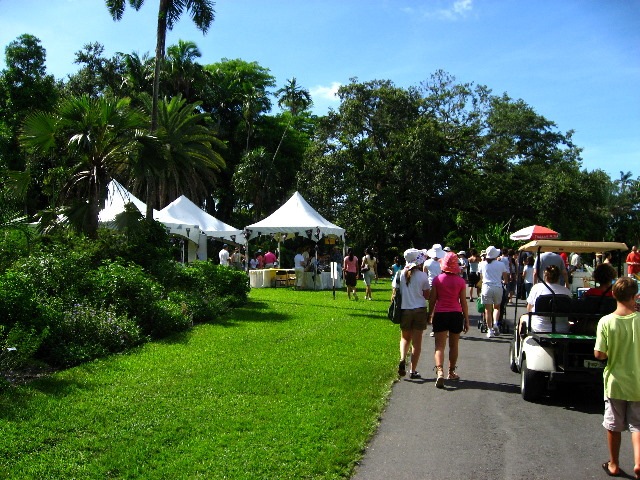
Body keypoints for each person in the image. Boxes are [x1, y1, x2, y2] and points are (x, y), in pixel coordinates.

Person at [594, 277, 640, 478]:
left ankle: (614, 463)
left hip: (615, 383)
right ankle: (639, 462)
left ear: (613, 294)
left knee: (614, 426)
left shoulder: (606, 321)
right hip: (638, 382)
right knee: (638, 425)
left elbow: (600, 354)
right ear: (635, 296)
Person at [429, 252, 470, 388]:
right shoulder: (460, 281)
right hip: (456, 314)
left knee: (439, 345)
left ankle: (439, 371)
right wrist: (467, 320)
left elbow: (432, 300)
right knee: (454, 345)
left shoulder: (437, 279)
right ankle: (451, 371)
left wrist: (430, 314)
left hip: (440, 313)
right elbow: (463, 302)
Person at [392, 248, 430, 379]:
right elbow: (427, 295)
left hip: (405, 310)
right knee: (417, 343)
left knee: (405, 338)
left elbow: (395, 292)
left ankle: (402, 358)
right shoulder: (423, 276)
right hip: (419, 310)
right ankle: (413, 370)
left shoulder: (399, 274)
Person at [518, 265, 571, 335]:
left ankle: (521, 342)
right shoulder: (566, 291)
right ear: (559, 277)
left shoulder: (536, 288)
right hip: (562, 328)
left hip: (539, 327)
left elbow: (529, 309)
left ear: (545, 276)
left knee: (523, 317)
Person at [478, 245, 508, 338]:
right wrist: (504, 281)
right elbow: (505, 277)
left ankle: (489, 330)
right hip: (498, 287)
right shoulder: (501, 264)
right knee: (497, 307)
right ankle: (495, 323)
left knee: (487, 309)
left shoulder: (482, 264)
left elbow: (481, 277)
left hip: (487, 287)